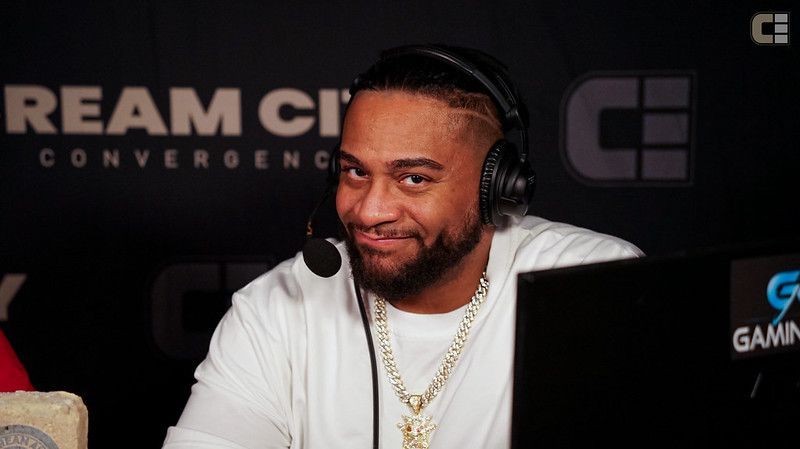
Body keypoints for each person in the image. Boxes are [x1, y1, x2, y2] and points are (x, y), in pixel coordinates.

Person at [162, 44, 642, 449]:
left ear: (496, 189)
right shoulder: (276, 307)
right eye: (355, 171)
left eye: (413, 178)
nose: (370, 212)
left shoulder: (591, 283)